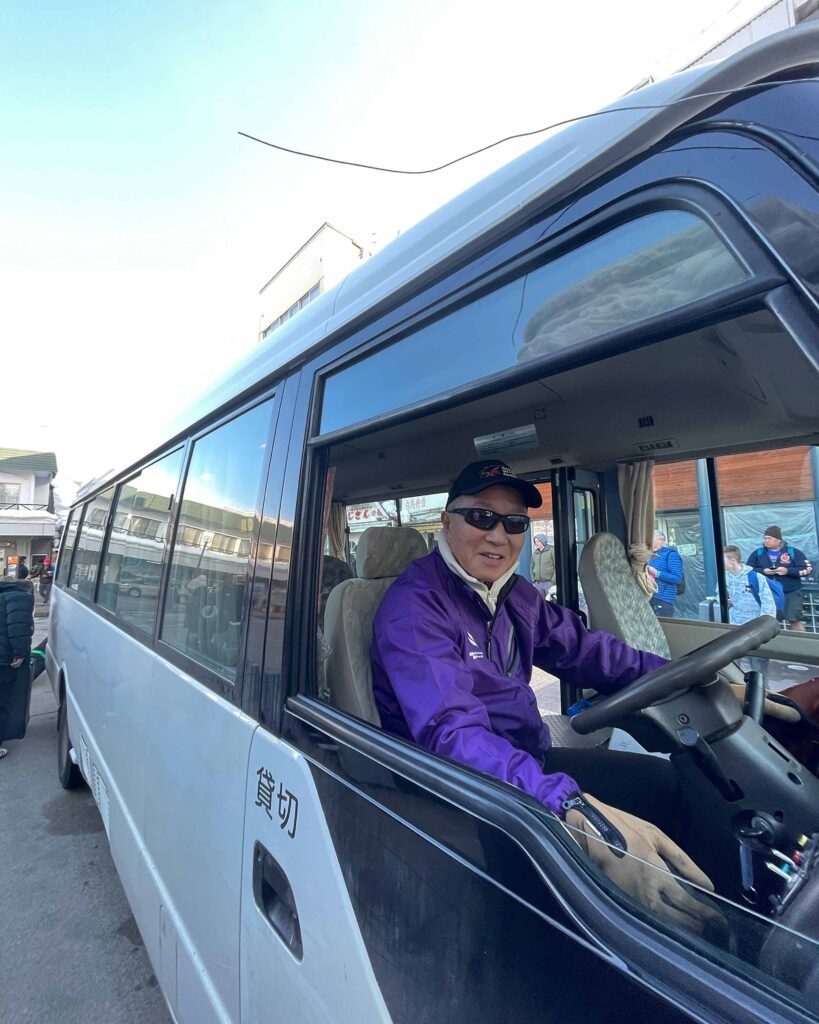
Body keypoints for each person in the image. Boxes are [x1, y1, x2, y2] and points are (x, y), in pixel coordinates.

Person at [372, 459, 716, 931]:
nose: (498, 535)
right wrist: (568, 806)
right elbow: (452, 734)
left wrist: (686, 677)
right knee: (602, 851)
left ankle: (707, 924)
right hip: (460, 789)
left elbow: (591, 653)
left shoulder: (514, 594)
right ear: (448, 522)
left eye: (514, 523)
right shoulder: (415, 607)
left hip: (522, 765)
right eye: (481, 517)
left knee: (666, 784)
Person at [746, 526, 810, 632]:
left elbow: (807, 569)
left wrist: (787, 571)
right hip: (768, 593)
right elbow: (748, 570)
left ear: (778, 540)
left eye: (769, 538)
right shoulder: (758, 553)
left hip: (791, 593)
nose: (766, 541)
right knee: (768, 621)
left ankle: (801, 645)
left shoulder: (793, 552)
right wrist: (764, 571)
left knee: (795, 621)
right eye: (765, 538)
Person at [0, 577, 35, 759]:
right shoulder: (19, 598)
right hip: (3, 661)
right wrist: (20, 654)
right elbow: (18, 629)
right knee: (2, 702)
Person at [647, 533, 683, 617]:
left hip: (663, 599)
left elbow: (677, 579)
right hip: (649, 597)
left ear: (663, 541)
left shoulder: (671, 554)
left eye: (656, 542)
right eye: (652, 543)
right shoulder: (649, 554)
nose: (653, 545)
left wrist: (657, 573)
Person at [530, 533, 555, 600]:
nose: (536, 543)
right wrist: (533, 580)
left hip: (549, 583)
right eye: (535, 542)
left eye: (538, 541)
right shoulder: (535, 553)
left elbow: (556, 567)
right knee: (539, 602)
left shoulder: (551, 551)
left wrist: (553, 581)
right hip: (538, 583)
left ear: (543, 541)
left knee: (551, 603)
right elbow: (531, 567)